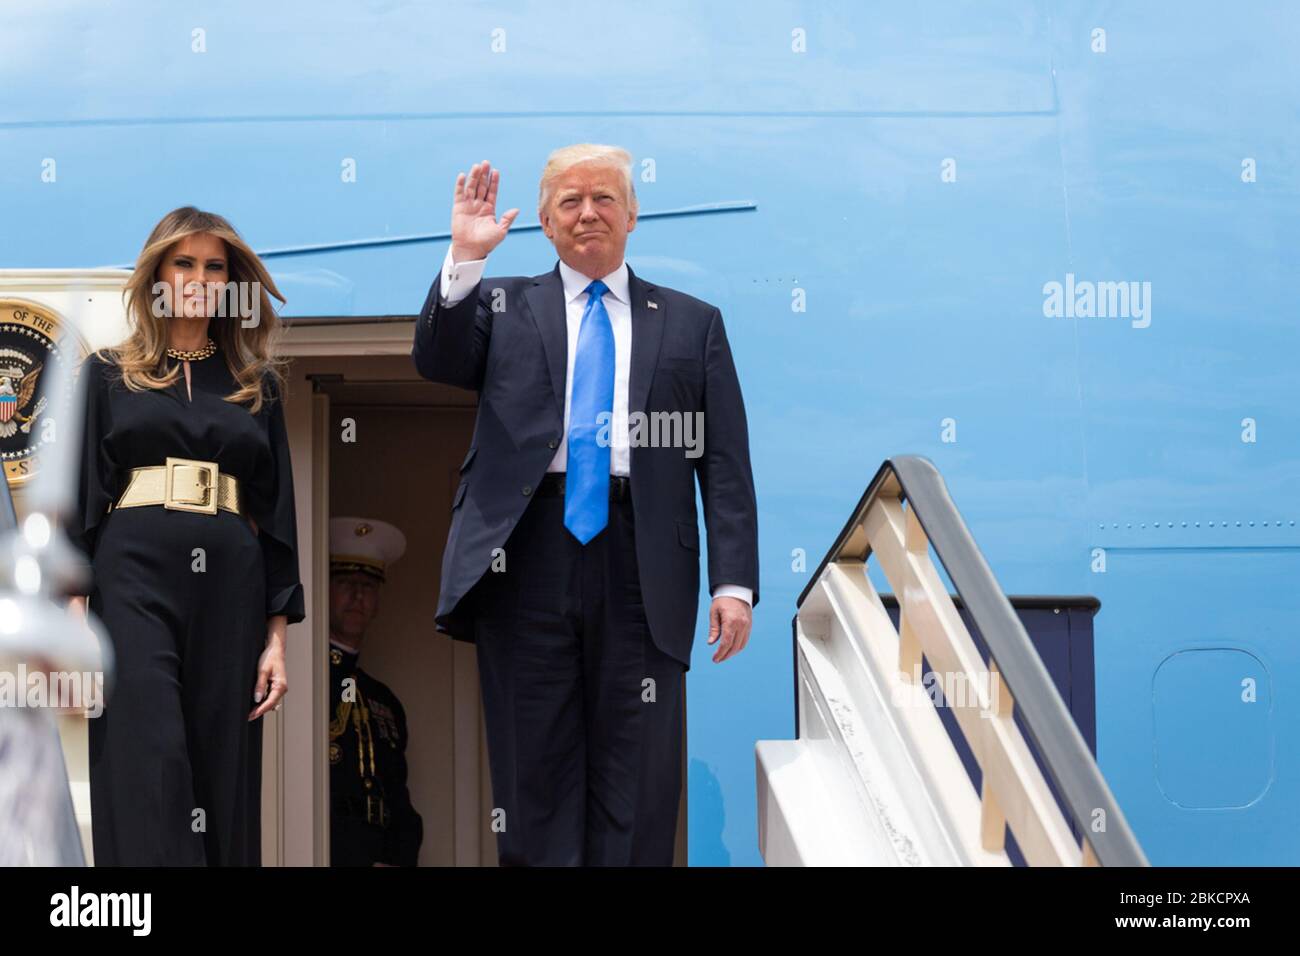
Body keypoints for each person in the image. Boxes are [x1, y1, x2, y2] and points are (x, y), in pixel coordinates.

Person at [411, 146, 760, 865]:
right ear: (543, 221)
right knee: (533, 775)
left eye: (604, 198)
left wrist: (733, 584)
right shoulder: (502, 302)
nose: (588, 212)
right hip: (526, 554)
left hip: (645, 561)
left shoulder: (694, 323)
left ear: (632, 214)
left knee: (639, 780)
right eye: (569, 202)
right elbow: (439, 359)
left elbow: (722, 461)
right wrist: (465, 258)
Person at [66, 206, 304, 866]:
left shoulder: (259, 385)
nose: (199, 277)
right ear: (157, 273)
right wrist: (77, 619)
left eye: (214, 265)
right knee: (153, 754)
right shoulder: (109, 373)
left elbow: (277, 519)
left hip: (232, 579)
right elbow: (83, 499)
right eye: (184, 261)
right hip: (132, 572)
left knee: (218, 762)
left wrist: (277, 640)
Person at [327, 516, 424, 867]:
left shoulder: (383, 700)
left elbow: (397, 796)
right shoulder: (302, 688)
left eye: (368, 586)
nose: (357, 596)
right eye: (345, 583)